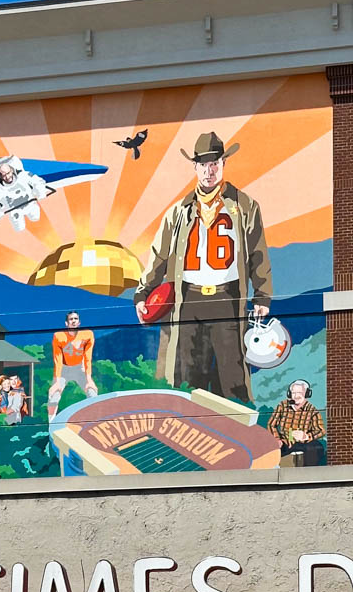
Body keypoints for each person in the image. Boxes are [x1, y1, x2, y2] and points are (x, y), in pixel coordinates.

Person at [134, 131, 273, 404]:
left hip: (227, 297)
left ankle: (236, 436)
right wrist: (143, 293)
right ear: (195, 167)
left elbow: (258, 252)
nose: (210, 171)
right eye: (204, 164)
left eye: (215, 164)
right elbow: (159, 254)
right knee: (187, 375)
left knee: (231, 376)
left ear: (223, 164)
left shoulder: (244, 206)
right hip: (189, 299)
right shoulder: (179, 211)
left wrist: (262, 295)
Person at [48, 311, 98, 419]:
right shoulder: (59, 336)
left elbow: (87, 357)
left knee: (92, 392)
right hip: (64, 369)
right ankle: (51, 423)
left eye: (75, 319)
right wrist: (56, 382)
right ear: (66, 323)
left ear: (79, 322)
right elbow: (58, 360)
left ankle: (95, 420)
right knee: (54, 396)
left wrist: (89, 379)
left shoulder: (87, 334)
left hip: (79, 368)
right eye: (71, 319)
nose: (73, 321)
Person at [266, 378, 327, 466]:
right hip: (285, 444)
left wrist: (306, 436)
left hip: (303, 445)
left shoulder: (312, 411)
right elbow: (271, 424)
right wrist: (277, 439)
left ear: (307, 394)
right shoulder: (282, 406)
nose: (296, 396)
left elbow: (321, 431)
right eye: (293, 393)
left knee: (317, 448)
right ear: (289, 394)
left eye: (299, 393)